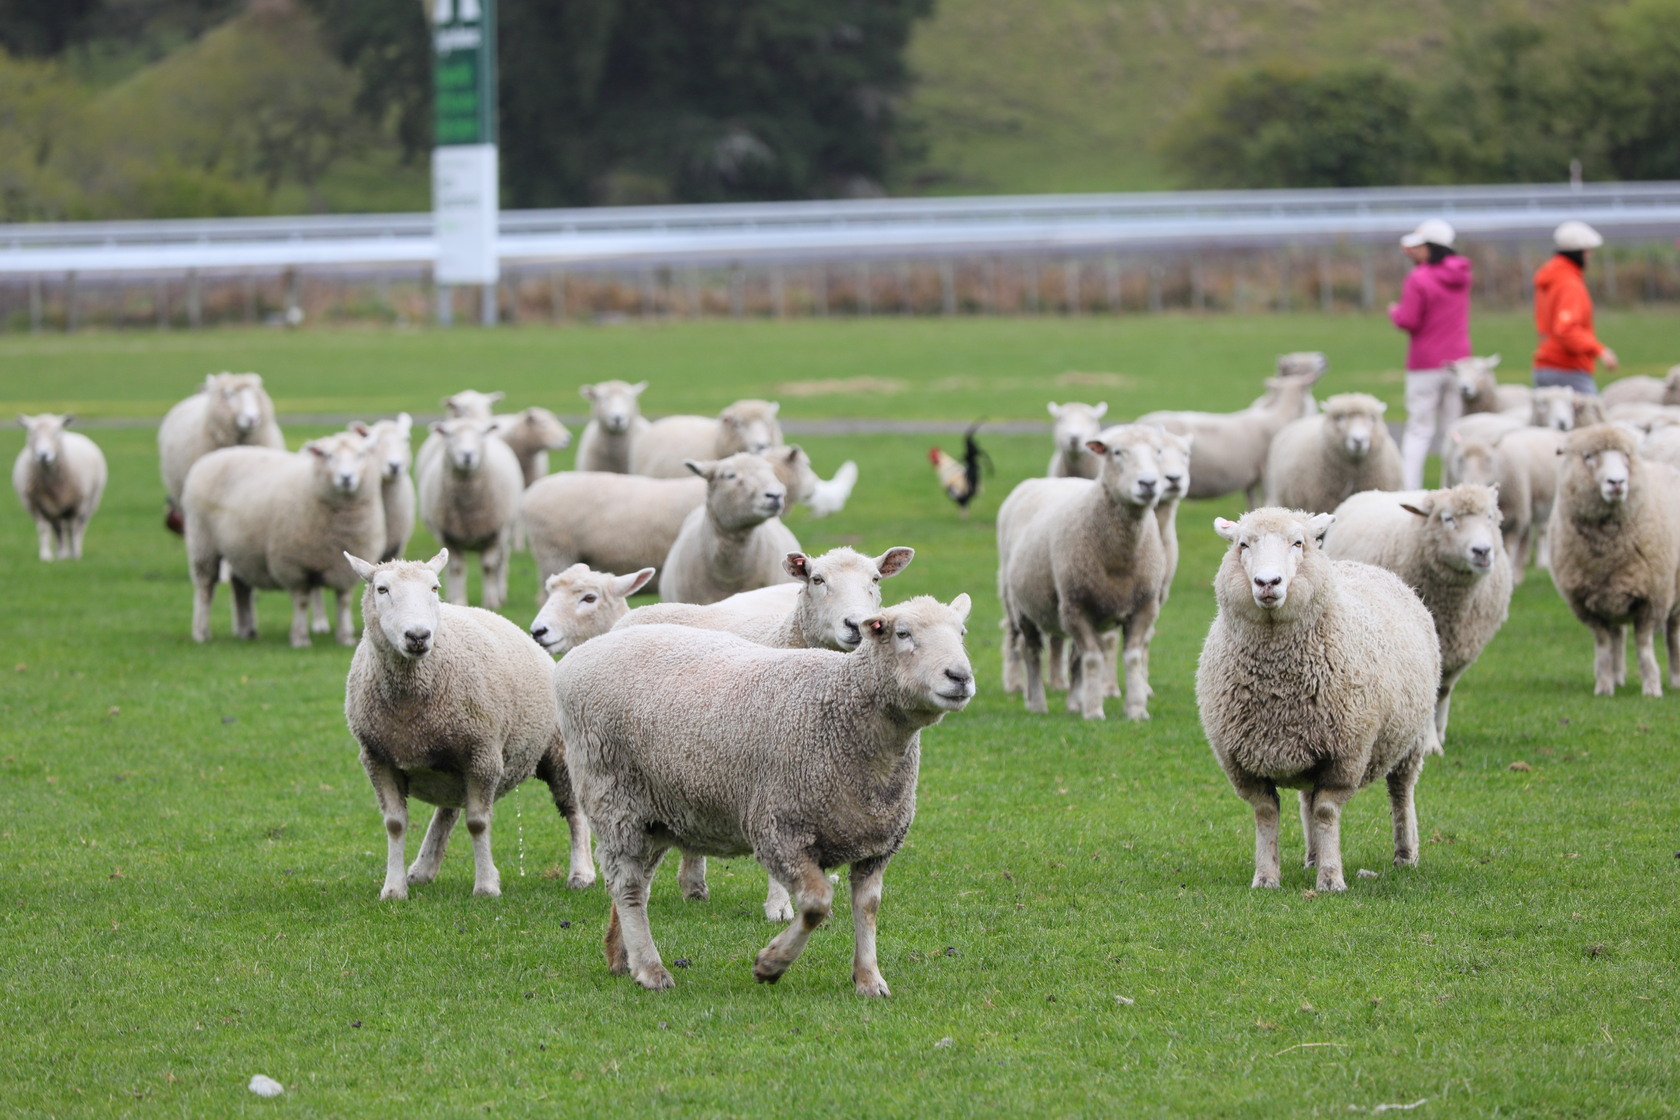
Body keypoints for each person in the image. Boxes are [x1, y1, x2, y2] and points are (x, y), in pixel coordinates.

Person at [1389, 218, 1473, 490]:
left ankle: (1409, 489)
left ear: (1431, 247)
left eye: (1420, 246)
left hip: (1425, 363)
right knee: (1454, 430)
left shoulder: (1419, 278)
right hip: (1458, 362)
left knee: (1419, 430)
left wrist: (1394, 312)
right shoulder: (1462, 275)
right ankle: (1457, 487)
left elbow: (1409, 320)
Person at [1532, 220, 1617, 393]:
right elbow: (1566, 330)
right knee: (1593, 419)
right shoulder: (1569, 284)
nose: (1590, 256)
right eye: (1588, 252)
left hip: (1543, 368)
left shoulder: (1550, 277)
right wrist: (1600, 350)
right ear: (1580, 253)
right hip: (1567, 370)